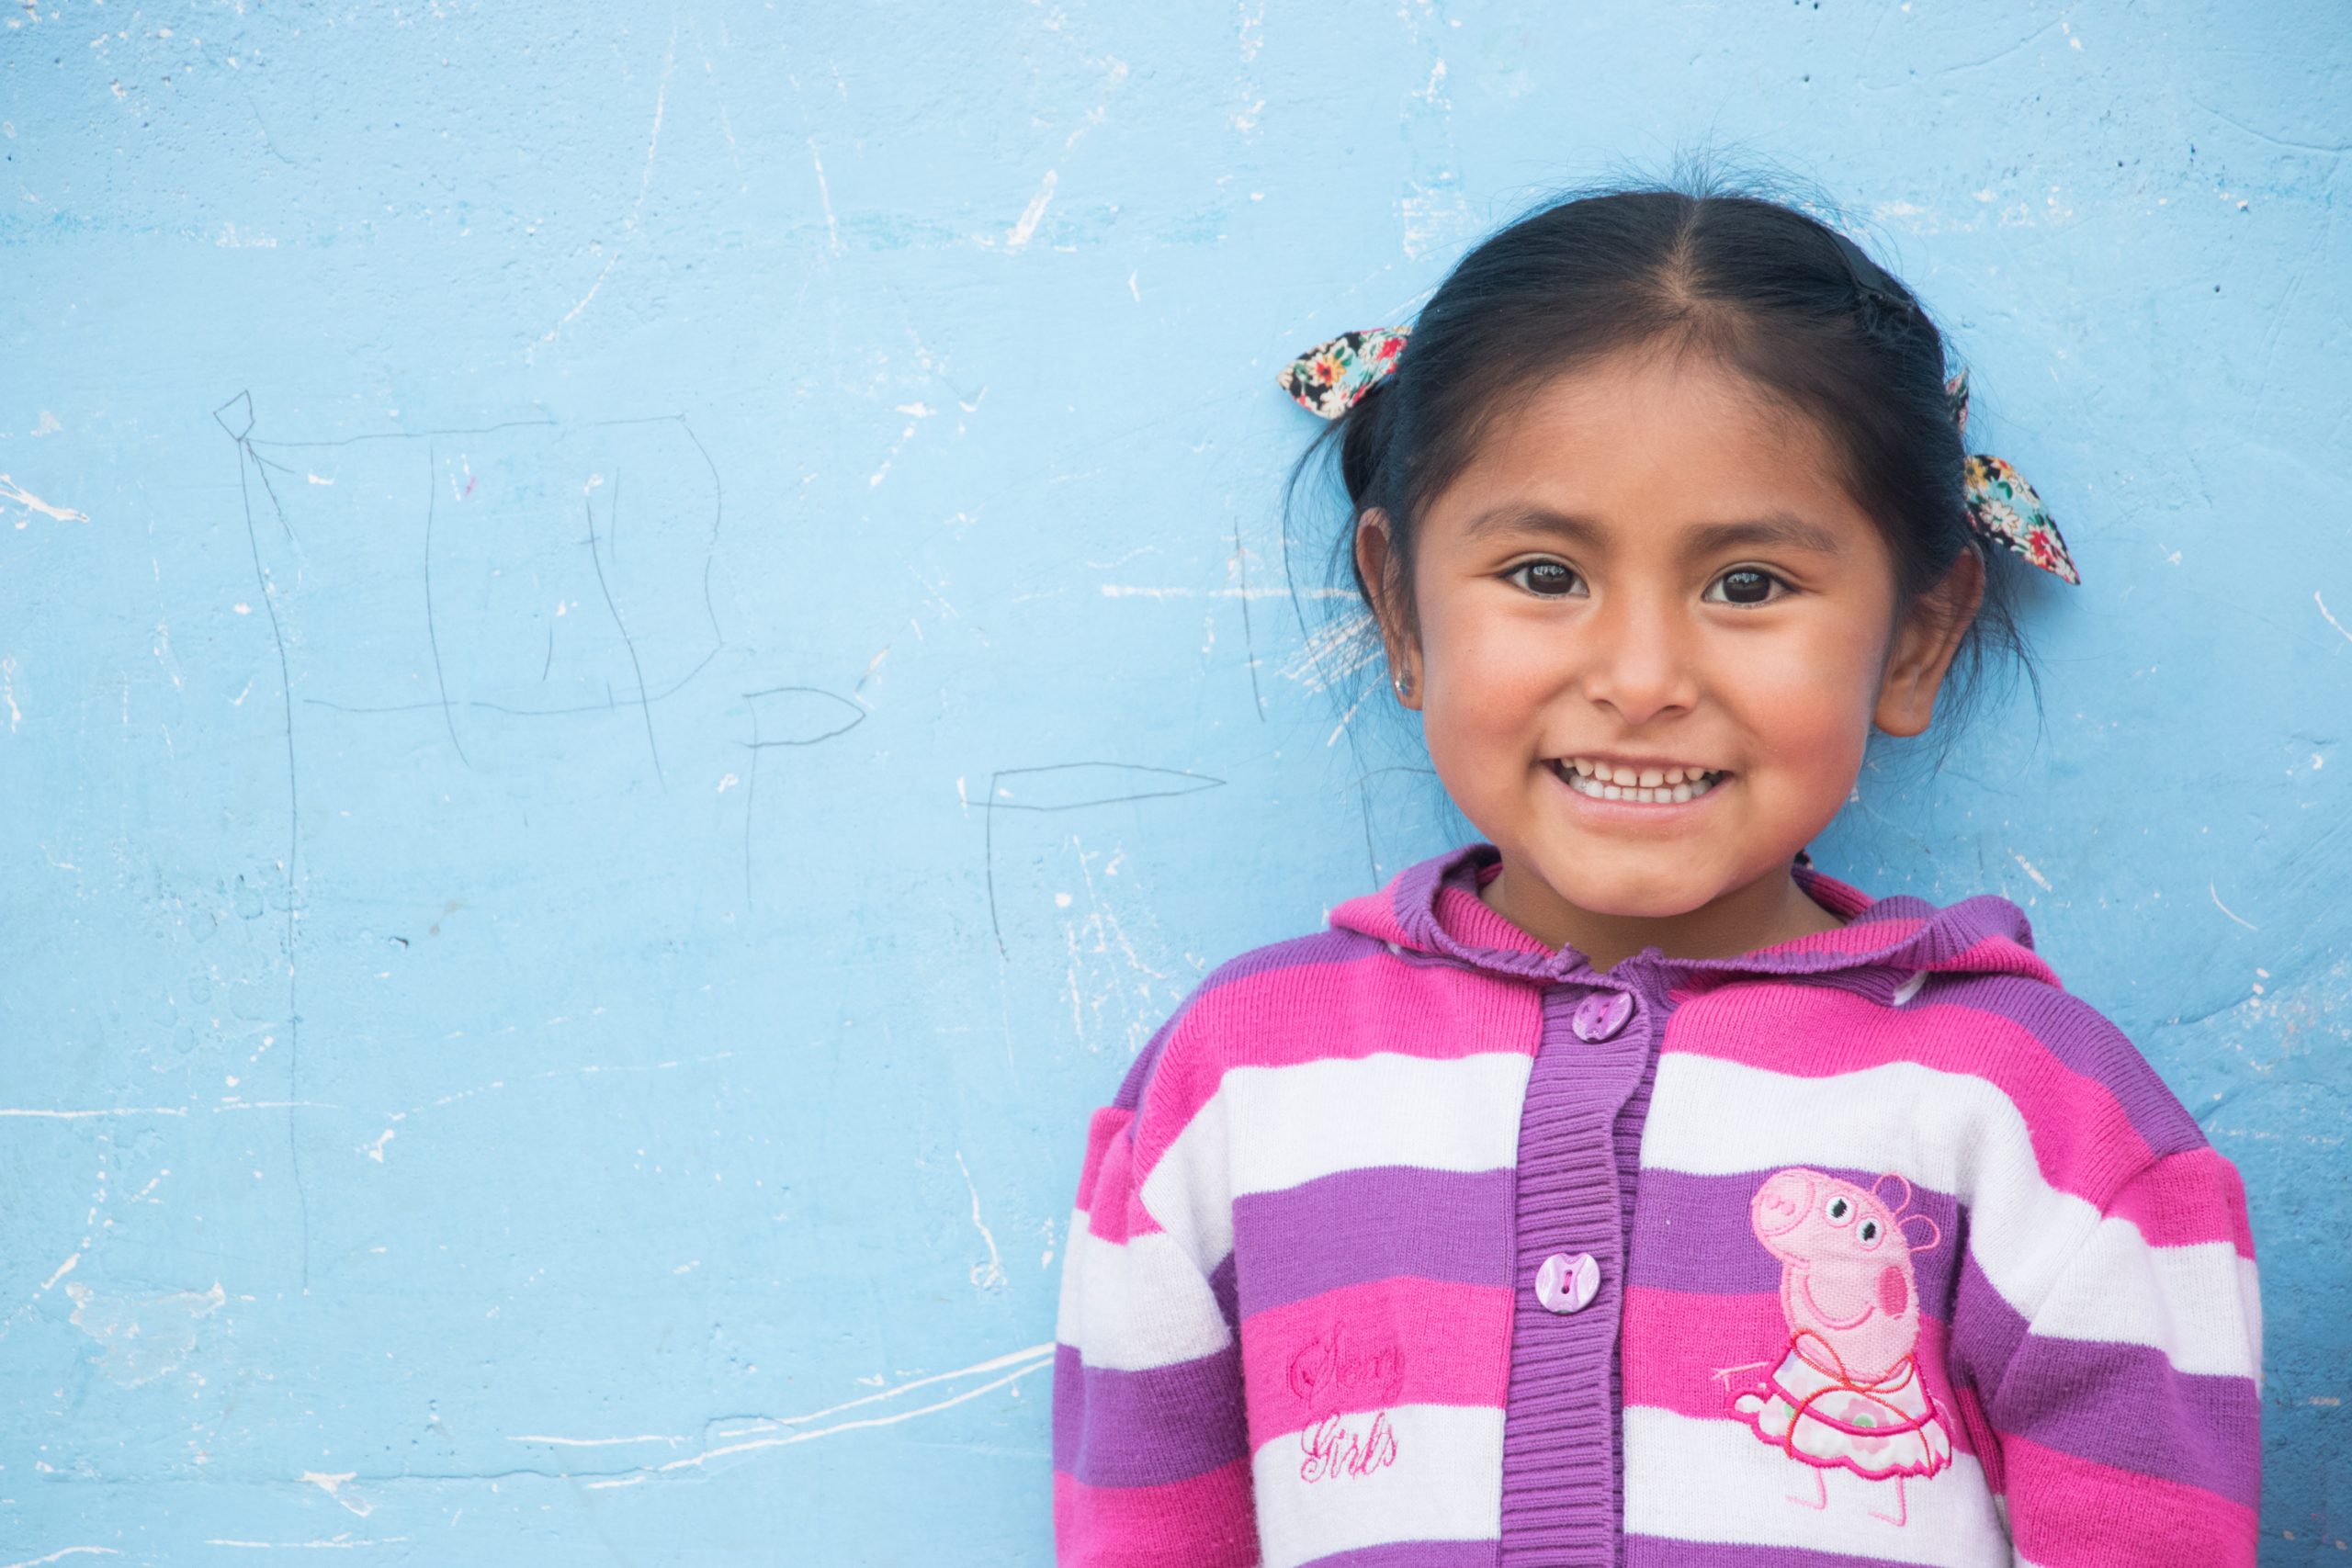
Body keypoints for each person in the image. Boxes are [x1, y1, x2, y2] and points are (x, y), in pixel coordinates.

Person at [1048, 182, 2259, 1567]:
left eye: (1746, 586)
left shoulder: (2050, 1123)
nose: (1638, 680)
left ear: (1917, 638)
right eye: (1545, 572)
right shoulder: (1236, 1087)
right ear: (1400, 609)